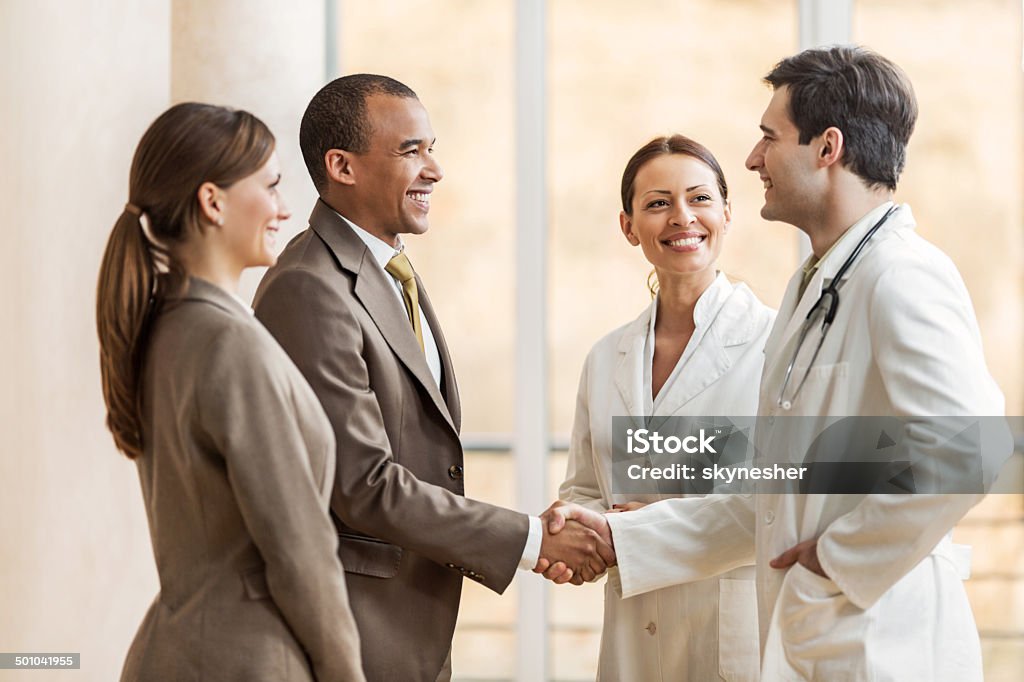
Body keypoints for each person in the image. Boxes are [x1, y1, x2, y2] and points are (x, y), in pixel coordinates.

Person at [543, 46, 1009, 681]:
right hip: (814, 639)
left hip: (880, 641)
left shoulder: (904, 274)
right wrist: (621, 538)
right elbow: (769, 489)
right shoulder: (811, 290)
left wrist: (838, 562)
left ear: (827, 148)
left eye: (769, 137)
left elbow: (967, 449)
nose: (752, 158)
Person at [253, 74, 612, 682]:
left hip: (408, 633)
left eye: (431, 147)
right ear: (341, 165)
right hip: (353, 636)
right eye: (411, 151)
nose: (435, 170)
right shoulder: (308, 287)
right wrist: (532, 540)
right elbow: (363, 483)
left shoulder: (388, 269)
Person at [96, 103, 365, 681]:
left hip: (172, 652)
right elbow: (300, 553)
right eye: (270, 186)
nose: (284, 208)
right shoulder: (229, 344)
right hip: (246, 659)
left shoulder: (163, 328)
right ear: (212, 201)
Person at [557, 134, 772, 681]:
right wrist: (576, 534)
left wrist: (626, 535)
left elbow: (775, 503)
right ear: (629, 226)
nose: (682, 218)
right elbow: (584, 487)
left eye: (700, 199)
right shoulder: (607, 357)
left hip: (732, 634)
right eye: (658, 203)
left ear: (727, 212)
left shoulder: (776, 343)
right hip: (634, 634)